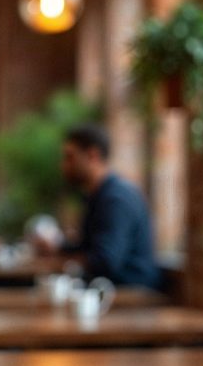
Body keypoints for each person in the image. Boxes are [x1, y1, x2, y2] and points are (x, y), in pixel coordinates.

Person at [38, 124, 161, 289]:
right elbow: (89, 248)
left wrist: (64, 261)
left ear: (92, 155)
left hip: (130, 298)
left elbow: (105, 261)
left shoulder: (116, 199)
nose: (64, 165)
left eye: (70, 157)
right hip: (107, 292)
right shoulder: (98, 196)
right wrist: (58, 248)